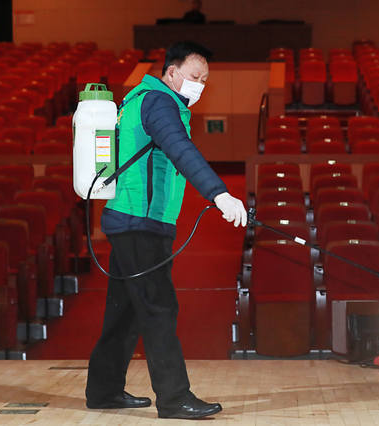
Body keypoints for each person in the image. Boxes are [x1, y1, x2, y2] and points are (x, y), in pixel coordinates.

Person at [85, 41, 247, 419]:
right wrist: (219, 194)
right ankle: (175, 398)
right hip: (139, 222)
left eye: (205, 80)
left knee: (124, 312)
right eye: (194, 77)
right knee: (159, 309)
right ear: (171, 73)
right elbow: (179, 149)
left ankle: (104, 390)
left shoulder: (140, 98)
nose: (199, 86)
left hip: (133, 219)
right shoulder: (159, 102)